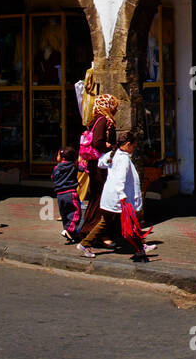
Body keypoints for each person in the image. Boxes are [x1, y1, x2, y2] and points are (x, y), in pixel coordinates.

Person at [79, 129, 149, 262]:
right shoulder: (123, 159)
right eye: (133, 146)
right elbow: (120, 179)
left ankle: (140, 247)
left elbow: (101, 162)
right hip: (118, 197)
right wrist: (122, 195)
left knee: (111, 222)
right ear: (128, 144)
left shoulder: (114, 155)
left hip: (111, 196)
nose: (133, 149)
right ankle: (140, 247)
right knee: (128, 222)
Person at [75, 94, 119, 244]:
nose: (116, 109)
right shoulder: (102, 120)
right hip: (101, 166)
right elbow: (98, 141)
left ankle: (90, 229)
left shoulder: (96, 119)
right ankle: (96, 232)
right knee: (102, 198)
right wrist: (112, 147)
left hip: (96, 165)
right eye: (114, 105)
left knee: (97, 197)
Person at [52, 146, 81, 243]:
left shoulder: (57, 167)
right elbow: (83, 168)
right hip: (71, 193)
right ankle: (70, 230)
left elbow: (53, 177)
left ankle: (71, 234)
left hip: (59, 194)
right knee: (76, 212)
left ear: (62, 158)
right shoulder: (74, 165)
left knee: (64, 214)